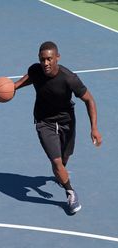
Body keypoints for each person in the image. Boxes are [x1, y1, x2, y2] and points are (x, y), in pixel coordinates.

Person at [14, 41, 102, 214]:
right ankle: (70, 192)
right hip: (43, 121)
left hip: (66, 121)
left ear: (57, 58)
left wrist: (94, 128)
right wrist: (14, 86)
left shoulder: (69, 78)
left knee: (64, 158)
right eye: (42, 59)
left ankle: (61, 172)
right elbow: (31, 77)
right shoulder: (36, 70)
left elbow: (89, 99)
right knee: (56, 161)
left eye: (49, 59)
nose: (45, 63)